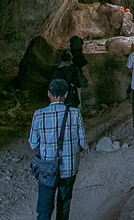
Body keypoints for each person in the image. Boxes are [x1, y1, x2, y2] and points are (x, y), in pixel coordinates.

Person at [29, 77, 88, 220]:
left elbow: (33, 144)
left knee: (44, 209)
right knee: (64, 204)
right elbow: (83, 143)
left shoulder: (39, 114)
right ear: (66, 94)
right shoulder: (74, 113)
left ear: (48, 93)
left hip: (48, 170)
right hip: (69, 168)